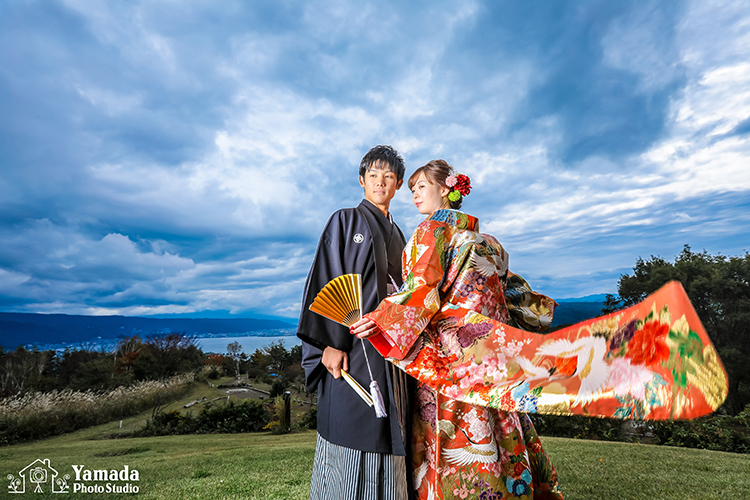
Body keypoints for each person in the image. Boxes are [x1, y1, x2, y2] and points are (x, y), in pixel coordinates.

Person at [351, 160, 564, 500]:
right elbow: (511, 291)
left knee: (452, 430)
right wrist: (539, 312)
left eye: (421, 187)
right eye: (413, 190)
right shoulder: (489, 241)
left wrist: (381, 318)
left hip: (451, 352)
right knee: (496, 419)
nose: (415, 195)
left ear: (445, 189)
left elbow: (423, 287)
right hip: (490, 350)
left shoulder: (432, 231)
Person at [297, 145, 415, 500]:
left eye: (389, 176)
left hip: (389, 349)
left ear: (397, 186)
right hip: (349, 347)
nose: (381, 182)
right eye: (374, 175)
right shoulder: (345, 220)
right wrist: (327, 344)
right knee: (355, 424)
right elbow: (327, 277)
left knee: (388, 427)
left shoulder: (400, 235)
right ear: (362, 181)